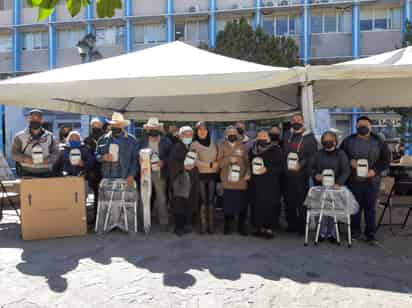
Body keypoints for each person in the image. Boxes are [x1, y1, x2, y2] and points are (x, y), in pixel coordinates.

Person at [340, 116, 390, 243]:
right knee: (355, 207)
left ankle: (370, 234)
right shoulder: (348, 141)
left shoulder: (379, 141)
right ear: (356, 126)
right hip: (353, 179)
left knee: (370, 207)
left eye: (365, 124)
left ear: (370, 126)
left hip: (372, 180)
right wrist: (349, 161)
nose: (363, 126)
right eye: (360, 124)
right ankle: (355, 232)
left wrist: (375, 171)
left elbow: (386, 160)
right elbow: (340, 156)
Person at [311, 131, 350, 243]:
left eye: (330, 139)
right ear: (322, 141)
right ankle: (321, 233)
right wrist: (315, 175)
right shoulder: (317, 154)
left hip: (335, 187)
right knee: (321, 211)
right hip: (320, 186)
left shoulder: (341, 154)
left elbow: (346, 171)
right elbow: (310, 168)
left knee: (333, 211)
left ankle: (333, 233)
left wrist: (339, 182)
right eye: (325, 139)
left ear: (335, 141)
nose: (327, 141)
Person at [282, 114, 318, 234]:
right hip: (287, 174)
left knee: (301, 201)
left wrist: (301, 165)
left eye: (298, 120)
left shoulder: (309, 138)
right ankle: (291, 224)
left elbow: (312, 156)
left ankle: (302, 227)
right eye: (293, 120)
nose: (296, 122)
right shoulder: (287, 135)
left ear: (303, 122)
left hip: (301, 175)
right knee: (289, 201)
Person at [138, 118, 171, 230]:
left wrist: (164, 162)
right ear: (148, 129)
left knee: (161, 197)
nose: (153, 130)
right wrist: (141, 160)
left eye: (155, 128)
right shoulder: (142, 141)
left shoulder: (166, 141)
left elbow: (170, 156)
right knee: (144, 196)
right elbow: (137, 154)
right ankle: (144, 220)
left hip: (159, 172)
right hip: (145, 171)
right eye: (151, 128)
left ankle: (163, 221)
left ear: (159, 128)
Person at [249, 130, 283, 239]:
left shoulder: (275, 149)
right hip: (256, 182)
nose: (261, 138)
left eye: (264, 136)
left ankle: (269, 229)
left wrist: (267, 169)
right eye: (259, 136)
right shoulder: (253, 150)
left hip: (270, 183)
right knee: (257, 204)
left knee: (269, 205)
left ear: (269, 138)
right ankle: (260, 228)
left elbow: (280, 167)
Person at [218, 126, 251, 235]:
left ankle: (241, 227)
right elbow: (219, 163)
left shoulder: (243, 146)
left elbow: (247, 162)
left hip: (241, 180)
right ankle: (228, 226)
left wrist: (248, 173)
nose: (232, 134)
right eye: (230, 132)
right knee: (228, 205)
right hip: (227, 180)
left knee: (242, 205)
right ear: (226, 135)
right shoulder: (221, 146)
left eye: (234, 132)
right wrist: (228, 159)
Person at [168, 126, 200, 236]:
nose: (188, 137)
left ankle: (185, 225)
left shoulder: (190, 147)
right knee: (179, 203)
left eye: (190, 135)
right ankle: (178, 227)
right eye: (186, 135)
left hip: (189, 179)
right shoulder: (176, 147)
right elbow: (172, 164)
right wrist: (183, 166)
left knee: (187, 202)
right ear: (180, 136)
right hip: (179, 180)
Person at [12, 109, 59, 178]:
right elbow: (14, 153)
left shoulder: (50, 136)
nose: (35, 120)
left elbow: (56, 153)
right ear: (28, 120)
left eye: (38, 118)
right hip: (26, 172)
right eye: (33, 118)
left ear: (42, 120)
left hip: (46, 172)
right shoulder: (19, 136)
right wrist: (25, 159)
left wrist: (47, 160)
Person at [190, 121, 219, 234]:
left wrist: (216, 163)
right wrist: (209, 165)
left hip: (212, 175)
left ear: (208, 131)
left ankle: (211, 226)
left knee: (211, 200)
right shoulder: (194, 144)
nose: (202, 132)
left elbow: (217, 156)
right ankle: (203, 225)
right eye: (200, 130)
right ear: (197, 132)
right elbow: (194, 161)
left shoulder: (213, 142)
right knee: (202, 200)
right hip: (200, 175)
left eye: (205, 129)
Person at [96, 112, 138, 187]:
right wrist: (103, 157)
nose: (115, 126)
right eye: (113, 124)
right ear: (111, 125)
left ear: (123, 126)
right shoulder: (102, 139)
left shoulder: (132, 140)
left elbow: (135, 159)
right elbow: (96, 155)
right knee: (107, 198)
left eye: (118, 124)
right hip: (107, 176)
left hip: (125, 176)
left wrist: (131, 175)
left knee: (123, 198)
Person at [83, 118, 104, 216]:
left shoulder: (105, 138)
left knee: (104, 194)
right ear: (91, 127)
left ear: (101, 126)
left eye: (98, 126)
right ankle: (96, 217)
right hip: (93, 171)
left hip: (105, 169)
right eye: (94, 126)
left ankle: (104, 216)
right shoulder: (86, 140)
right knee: (96, 193)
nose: (96, 128)